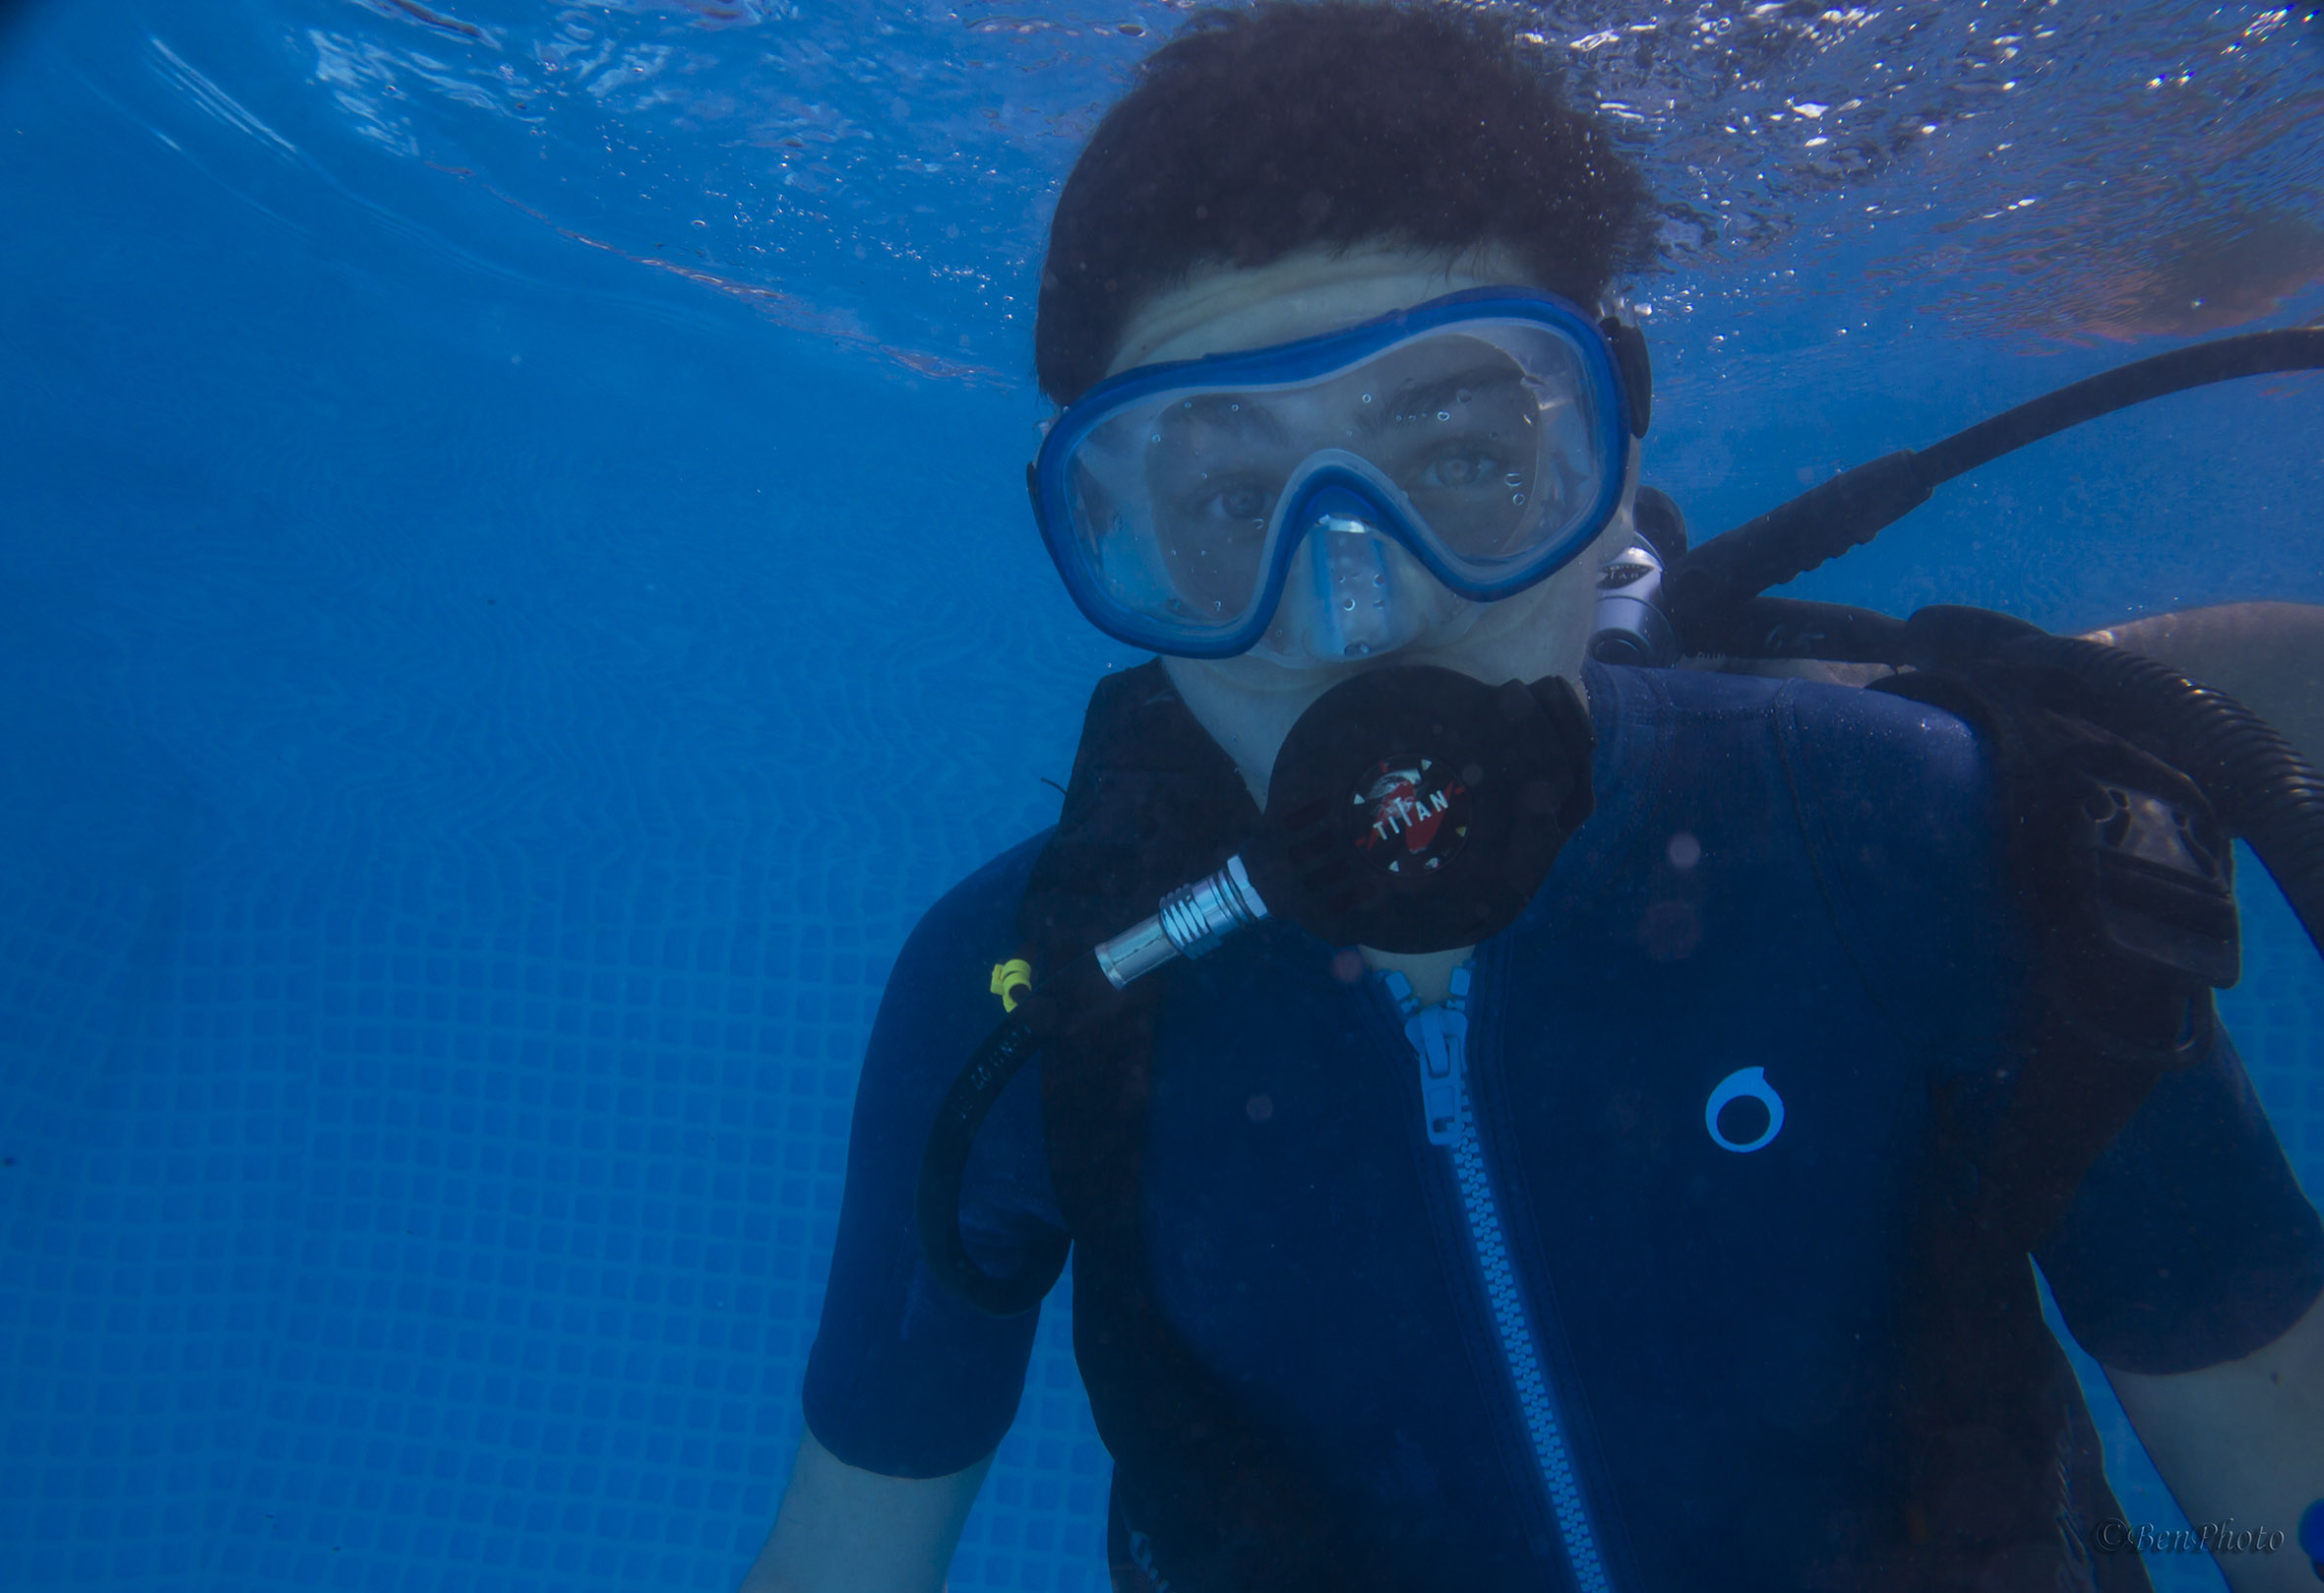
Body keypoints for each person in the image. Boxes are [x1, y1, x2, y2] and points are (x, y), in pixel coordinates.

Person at [742, 6, 2324, 1591]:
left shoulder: (1927, 840)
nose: (1356, 619)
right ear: (1107, 537)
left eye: (1462, 459)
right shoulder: (1026, 998)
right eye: (1228, 500)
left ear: (1609, 461)